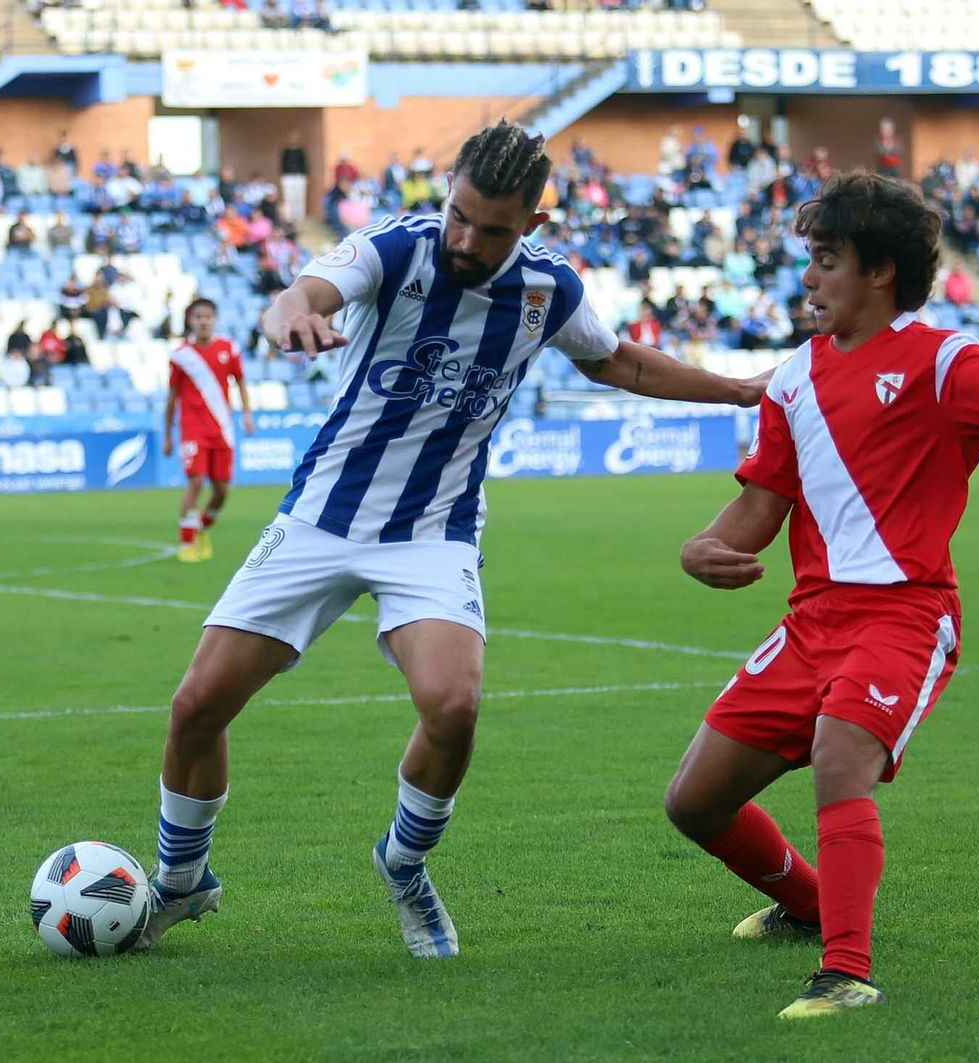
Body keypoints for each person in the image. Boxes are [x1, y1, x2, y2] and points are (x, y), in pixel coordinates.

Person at [133, 121, 767, 958]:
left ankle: (404, 864)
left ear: (532, 225)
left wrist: (739, 391)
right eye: (458, 215)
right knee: (196, 705)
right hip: (321, 514)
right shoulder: (396, 248)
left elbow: (620, 362)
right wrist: (291, 316)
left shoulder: (549, 289)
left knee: (454, 705)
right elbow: (304, 293)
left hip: (434, 532)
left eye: (492, 229)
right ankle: (182, 879)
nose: (466, 240)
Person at [663, 172, 979, 1019]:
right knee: (693, 802)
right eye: (811, 260)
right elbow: (760, 509)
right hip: (811, 623)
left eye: (826, 260)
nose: (809, 278)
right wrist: (705, 547)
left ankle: (846, 972)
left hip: (906, 614)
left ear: (879, 272)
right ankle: (809, 904)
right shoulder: (793, 379)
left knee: (841, 755)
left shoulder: (944, 361)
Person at [162, 298, 253, 564]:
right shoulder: (181, 355)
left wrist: (247, 414)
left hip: (222, 428)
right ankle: (187, 542)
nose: (203, 321)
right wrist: (167, 435)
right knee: (196, 481)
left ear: (215, 319)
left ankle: (202, 528)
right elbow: (172, 397)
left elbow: (241, 382)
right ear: (190, 321)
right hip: (193, 428)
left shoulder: (229, 349)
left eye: (207, 316)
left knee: (222, 490)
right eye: (198, 316)